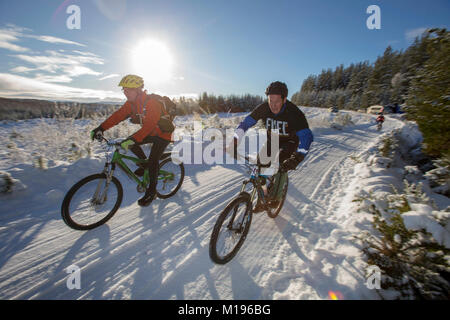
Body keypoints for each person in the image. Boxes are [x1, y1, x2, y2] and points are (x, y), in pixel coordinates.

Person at [90, 74, 175, 207]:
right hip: (150, 132)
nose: (124, 92)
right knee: (129, 143)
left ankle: (152, 191)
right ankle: (145, 165)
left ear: (138, 90)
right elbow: (117, 116)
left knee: (153, 160)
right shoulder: (131, 104)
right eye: (123, 89)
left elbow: (149, 126)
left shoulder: (152, 103)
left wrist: (133, 139)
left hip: (163, 134)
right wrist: (100, 128)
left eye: (127, 89)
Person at [228, 81, 313, 210]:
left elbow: (307, 136)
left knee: (281, 165)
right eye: (270, 101)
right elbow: (246, 123)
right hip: (272, 140)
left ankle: (276, 198)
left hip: (290, 142)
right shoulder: (263, 108)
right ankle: (264, 196)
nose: (273, 106)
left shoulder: (294, 113)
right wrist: (235, 140)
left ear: (284, 99)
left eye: (277, 101)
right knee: (260, 166)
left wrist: (298, 156)